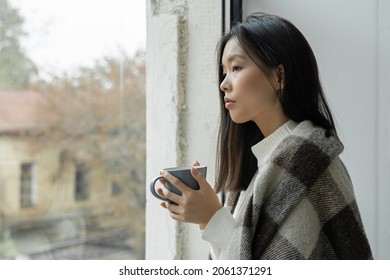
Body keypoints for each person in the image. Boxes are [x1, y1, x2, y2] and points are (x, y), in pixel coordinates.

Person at [156, 13, 372, 260]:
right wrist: (209, 219)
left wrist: (212, 218)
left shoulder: (311, 166)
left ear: (279, 76)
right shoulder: (260, 169)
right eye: (223, 72)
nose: (223, 84)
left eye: (236, 68)